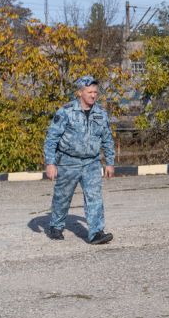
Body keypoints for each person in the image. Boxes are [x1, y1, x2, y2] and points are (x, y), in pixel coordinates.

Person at [43, 75, 115, 244]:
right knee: (62, 196)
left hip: (91, 162)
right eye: (89, 92)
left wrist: (110, 162)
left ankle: (96, 232)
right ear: (80, 92)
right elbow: (51, 138)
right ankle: (56, 225)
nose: (93, 95)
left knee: (94, 197)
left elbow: (107, 139)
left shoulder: (101, 114)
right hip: (68, 161)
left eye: (95, 92)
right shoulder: (66, 111)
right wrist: (50, 163)